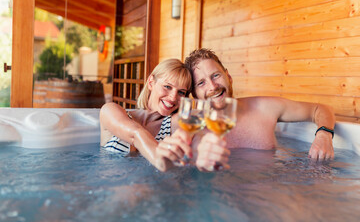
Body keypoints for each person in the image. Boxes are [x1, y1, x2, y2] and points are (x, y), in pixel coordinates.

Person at [184, 48, 336, 168]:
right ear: (195, 95)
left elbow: (319, 109)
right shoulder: (190, 126)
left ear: (228, 77)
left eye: (216, 75)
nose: (212, 86)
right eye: (201, 83)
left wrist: (324, 135)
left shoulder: (265, 108)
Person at [100, 58, 229, 172]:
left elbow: (194, 133)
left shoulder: (175, 122)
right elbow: (135, 134)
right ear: (151, 82)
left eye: (181, 92)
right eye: (167, 86)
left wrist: (201, 155)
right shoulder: (111, 110)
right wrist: (158, 158)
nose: (173, 97)